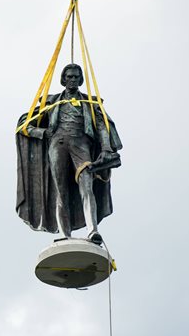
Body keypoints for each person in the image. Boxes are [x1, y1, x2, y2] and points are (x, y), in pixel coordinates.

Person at [15, 64, 122, 244]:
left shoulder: (89, 102)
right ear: (64, 79)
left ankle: (92, 230)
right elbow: (23, 125)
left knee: (86, 185)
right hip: (58, 144)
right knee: (61, 190)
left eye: (76, 77)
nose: (72, 80)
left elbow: (103, 125)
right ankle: (66, 234)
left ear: (80, 80)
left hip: (81, 144)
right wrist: (42, 133)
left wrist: (105, 149)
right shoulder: (51, 101)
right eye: (69, 77)